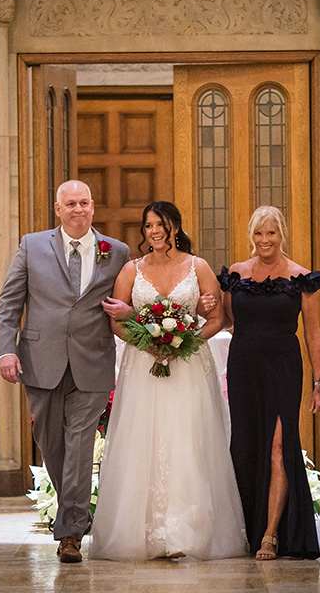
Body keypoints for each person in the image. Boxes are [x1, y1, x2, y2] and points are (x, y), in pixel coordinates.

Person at [89, 201, 248, 561]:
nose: (154, 231)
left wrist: (185, 342)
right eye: (148, 226)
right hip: (144, 367)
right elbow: (116, 319)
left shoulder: (198, 266)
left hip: (188, 366)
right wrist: (150, 342)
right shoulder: (132, 269)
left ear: (174, 227)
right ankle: (142, 534)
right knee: (143, 441)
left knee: (187, 441)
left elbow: (218, 318)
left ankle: (185, 533)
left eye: (160, 224)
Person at [0, 180, 131, 563]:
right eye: (70, 203)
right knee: (51, 443)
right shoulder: (31, 245)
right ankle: (73, 512)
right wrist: (6, 351)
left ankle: (71, 531)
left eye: (84, 202)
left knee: (80, 445)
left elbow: (134, 298)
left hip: (92, 361)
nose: (78, 209)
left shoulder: (116, 252)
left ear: (92, 207)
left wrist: (136, 315)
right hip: (41, 361)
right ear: (58, 209)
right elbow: (9, 302)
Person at [215, 205, 320, 560]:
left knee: (280, 446)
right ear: (252, 236)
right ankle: (248, 526)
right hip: (244, 366)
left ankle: (271, 533)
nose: (265, 240)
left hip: (283, 369)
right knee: (245, 447)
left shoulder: (301, 277)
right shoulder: (235, 274)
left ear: (282, 235)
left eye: (272, 233)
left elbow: (314, 333)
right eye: (259, 234)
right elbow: (228, 318)